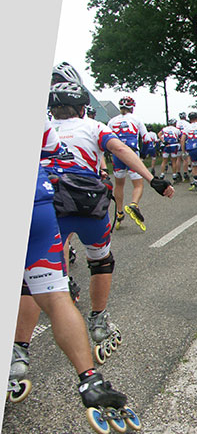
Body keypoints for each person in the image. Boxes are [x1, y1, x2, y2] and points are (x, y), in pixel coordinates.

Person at [43, 81, 174, 363]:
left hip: (52, 203)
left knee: (38, 272)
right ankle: (99, 322)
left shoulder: (45, 128)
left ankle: (19, 352)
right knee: (101, 260)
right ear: (81, 107)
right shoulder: (92, 126)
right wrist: (154, 180)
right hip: (89, 202)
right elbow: (122, 150)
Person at [107, 96, 149, 231]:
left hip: (117, 155)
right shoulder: (136, 119)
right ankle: (133, 205)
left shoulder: (112, 121)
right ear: (132, 107)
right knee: (138, 184)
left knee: (119, 184)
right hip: (131, 154)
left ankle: (119, 212)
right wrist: (143, 154)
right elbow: (147, 139)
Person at [158, 118, 183, 183]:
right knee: (174, 161)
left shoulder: (165, 129)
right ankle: (174, 175)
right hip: (174, 145)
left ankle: (162, 174)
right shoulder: (177, 130)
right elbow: (181, 138)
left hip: (166, 145)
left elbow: (159, 134)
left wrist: (163, 141)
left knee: (164, 161)